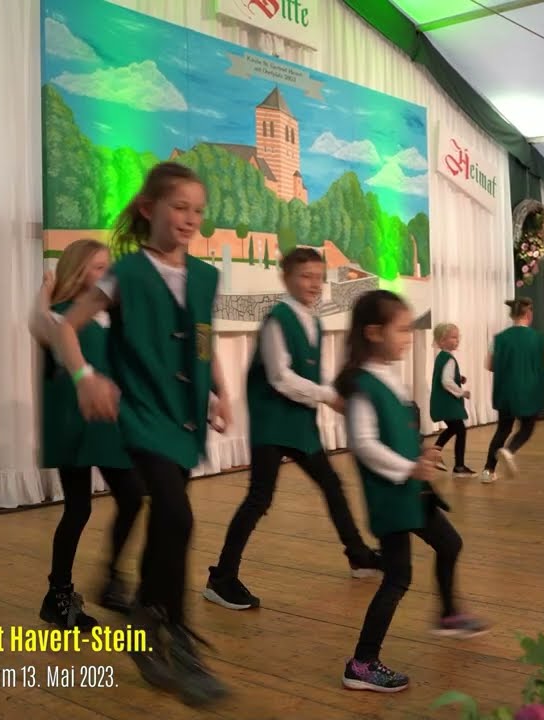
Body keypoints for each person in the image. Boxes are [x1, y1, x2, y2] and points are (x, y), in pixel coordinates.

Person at [29, 162, 228, 706]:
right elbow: (65, 328)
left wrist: (218, 394)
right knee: (175, 514)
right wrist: (85, 376)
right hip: (142, 416)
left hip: (184, 417)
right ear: (149, 209)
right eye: (178, 207)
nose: (189, 219)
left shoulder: (207, 277)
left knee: (170, 522)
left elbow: (204, 343)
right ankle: (174, 635)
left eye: (197, 209)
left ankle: (149, 615)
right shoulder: (126, 274)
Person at [204, 247, 382, 612]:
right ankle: (222, 578)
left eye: (319, 277)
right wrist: (329, 397)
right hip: (272, 424)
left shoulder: (312, 321)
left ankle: (359, 555)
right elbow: (280, 377)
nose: (314, 284)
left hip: (300, 425)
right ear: (286, 278)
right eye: (306, 276)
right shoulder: (277, 320)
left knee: (332, 486)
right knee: (259, 500)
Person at [335, 290, 488, 693]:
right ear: (372, 332)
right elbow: (365, 445)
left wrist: (419, 449)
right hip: (390, 498)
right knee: (398, 577)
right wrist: (410, 466)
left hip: (410, 494)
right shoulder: (361, 384)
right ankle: (362, 663)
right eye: (401, 329)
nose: (408, 336)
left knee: (450, 543)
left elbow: (393, 430)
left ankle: (449, 614)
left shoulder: (385, 374)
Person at [33, 239, 145, 631]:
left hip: (107, 422)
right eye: (99, 267)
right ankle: (62, 593)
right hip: (76, 424)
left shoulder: (107, 318)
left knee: (128, 498)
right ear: (80, 271)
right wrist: (45, 294)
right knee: (82, 506)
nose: (106, 275)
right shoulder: (60, 318)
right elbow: (39, 324)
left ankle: (101, 580)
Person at [480, 298, 544, 483]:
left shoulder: (498, 339)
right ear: (528, 314)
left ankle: (488, 471)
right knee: (527, 428)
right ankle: (510, 450)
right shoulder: (539, 339)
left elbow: (489, 365)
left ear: (511, 315)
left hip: (505, 391)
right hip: (529, 392)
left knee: (502, 429)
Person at [429, 323, 474, 477]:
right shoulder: (449, 359)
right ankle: (459, 467)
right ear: (442, 341)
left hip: (442, 402)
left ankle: (435, 454)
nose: (457, 340)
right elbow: (446, 381)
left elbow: (446, 377)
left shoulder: (442, 357)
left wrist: (459, 378)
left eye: (457, 337)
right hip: (448, 403)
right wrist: (462, 392)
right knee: (460, 430)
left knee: (455, 428)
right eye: (453, 337)